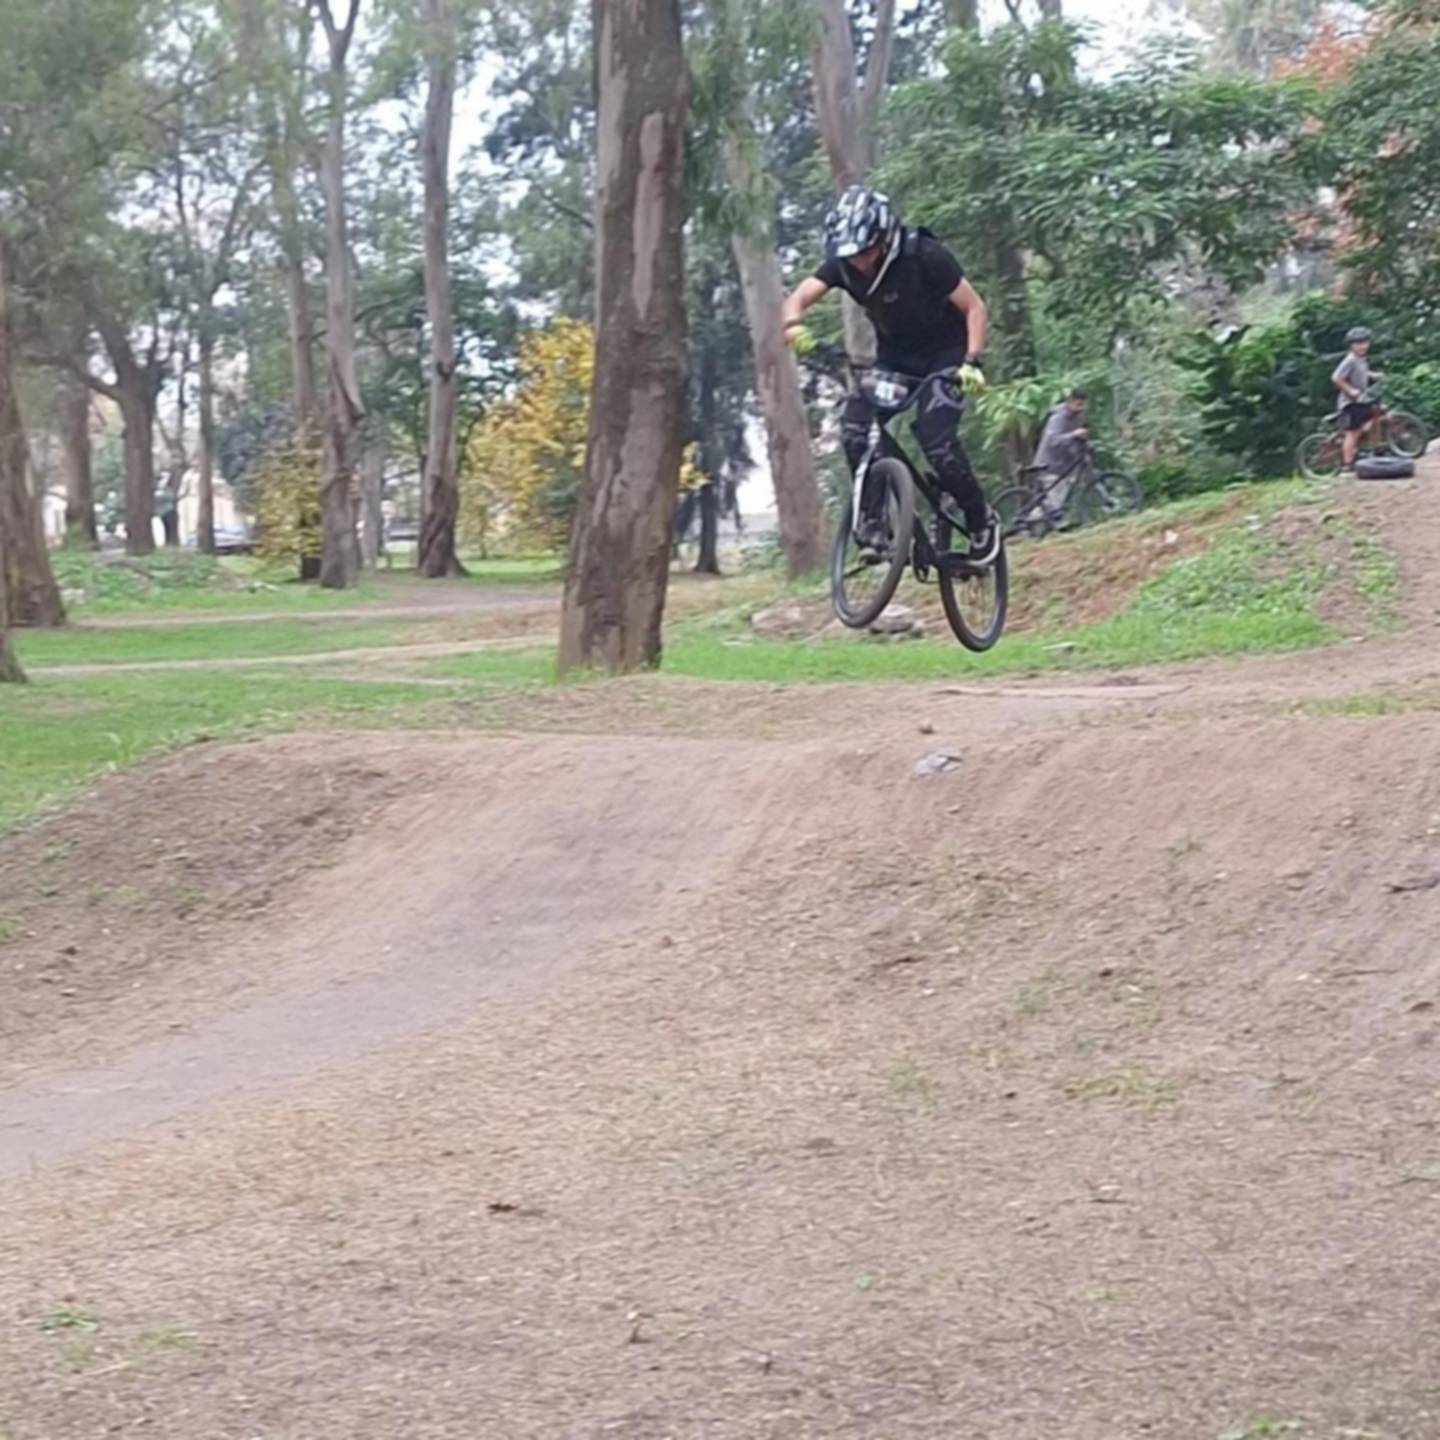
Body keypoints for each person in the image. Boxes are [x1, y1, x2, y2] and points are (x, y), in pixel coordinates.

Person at [779, 186, 998, 564]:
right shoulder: (844, 264)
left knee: (936, 439)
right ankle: (872, 521)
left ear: (884, 238)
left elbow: (974, 307)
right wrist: (794, 326)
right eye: (851, 255)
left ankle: (979, 519)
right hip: (896, 360)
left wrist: (972, 361)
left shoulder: (924, 255)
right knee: (855, 427)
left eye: (866, 251)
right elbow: (796, 298)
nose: (859, 262)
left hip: (947, 356)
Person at [1032, 388, 1091, 521]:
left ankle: (1042, 523)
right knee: (1054, 505)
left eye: (1083, 405)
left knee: (1057, 502)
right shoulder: (1058, 418)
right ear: (1070, 402)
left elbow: (1075, 440)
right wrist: (1073, 435)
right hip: (1050, 465)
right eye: (1079, 405)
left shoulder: (1075, 418)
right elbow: (1053, 440)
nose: (1081, 408)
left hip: (1064, 466)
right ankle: (1029, 525)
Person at [1333, 326, 1383, 472]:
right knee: (1353, 432)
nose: (1362, 346)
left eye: (1364, 342)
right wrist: (1351, 390)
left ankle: (1376, 449)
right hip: (1350, 403)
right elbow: (1336, 377)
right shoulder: (1350, 359)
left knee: (1376, 418)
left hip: (1362, 399)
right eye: (1358, 343)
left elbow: (1363, 372)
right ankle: (1347, 464)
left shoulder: (1362, 359)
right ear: (1351, 345)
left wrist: (1374, 375)